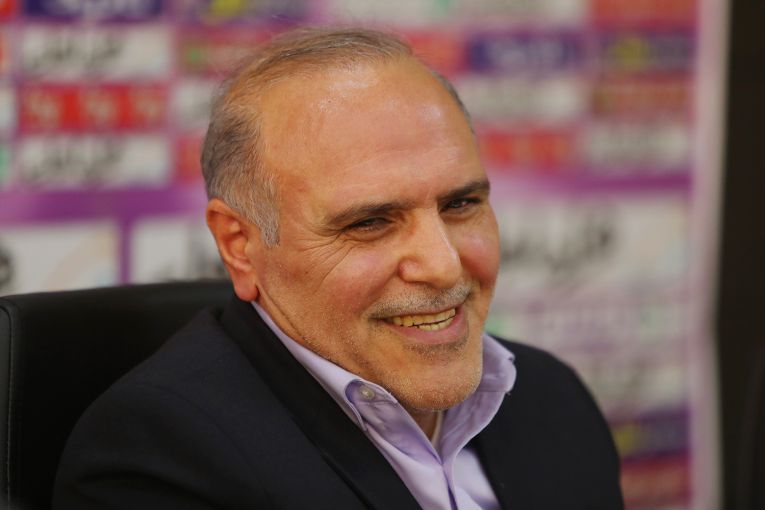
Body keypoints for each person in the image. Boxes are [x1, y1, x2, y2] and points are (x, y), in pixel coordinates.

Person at [53, 27, 623, 509]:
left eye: (461, 204)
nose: (444, 266)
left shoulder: (550, 397)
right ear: (239, 245)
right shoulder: (160, 455)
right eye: (371, 222)